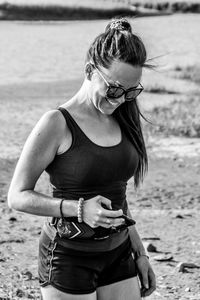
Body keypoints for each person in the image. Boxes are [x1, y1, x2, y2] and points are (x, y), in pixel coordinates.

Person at [8, 18, 156, 300]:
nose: (121, 99)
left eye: (131, 91)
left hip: (119, 254)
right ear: (90, 71)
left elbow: (118, 195)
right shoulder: (57, 123)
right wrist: (79, 209)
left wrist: (140, 253)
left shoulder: (124, 116)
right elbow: (17, 196)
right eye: (114, 89)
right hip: (68, 258)